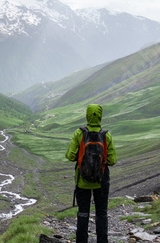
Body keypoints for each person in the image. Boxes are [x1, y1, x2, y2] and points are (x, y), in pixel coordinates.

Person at [65, 104, 117, 243]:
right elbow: (112, 160)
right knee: (101, 213)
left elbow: (70, 156)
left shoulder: (79, 133)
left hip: (82, 180)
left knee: (83, 213)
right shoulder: (106, 135)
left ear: (87, 115)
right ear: (100, 116)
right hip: (101, 180)